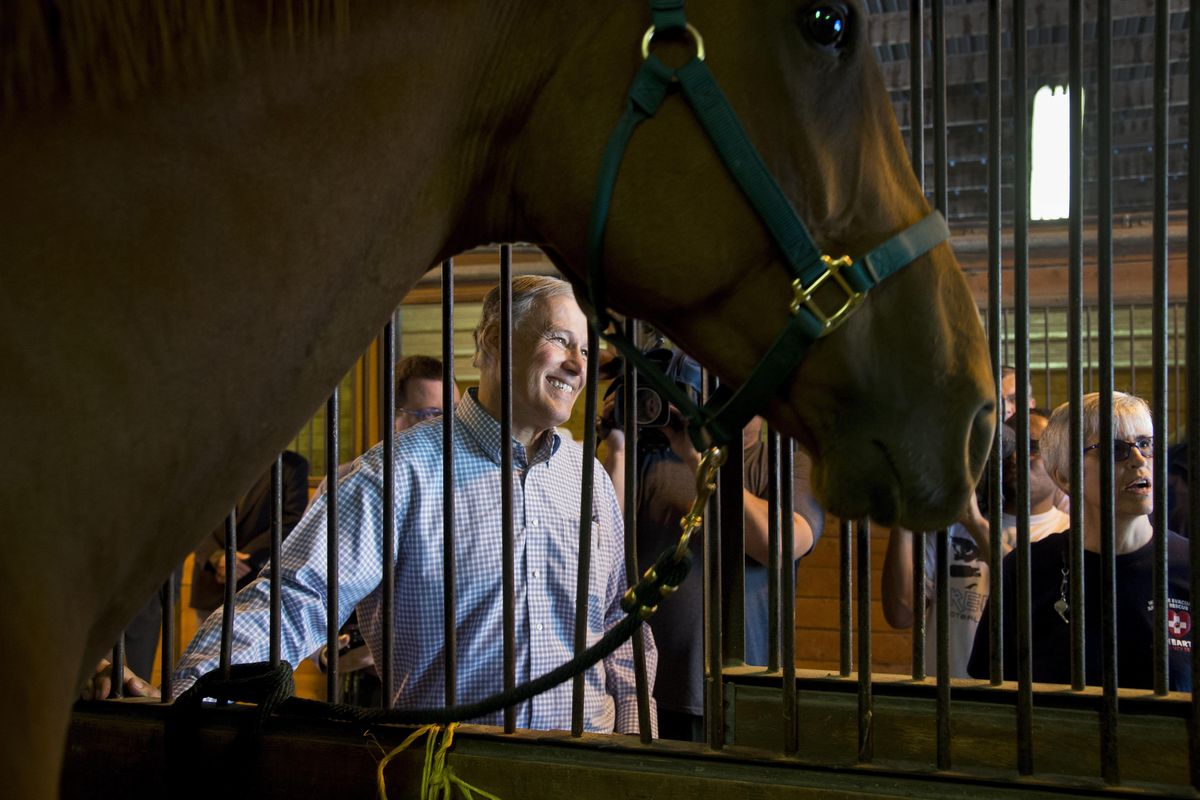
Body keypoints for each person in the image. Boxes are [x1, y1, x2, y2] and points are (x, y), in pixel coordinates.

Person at [89, 276, 655, 735]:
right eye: (560, 340)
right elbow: (296, 599)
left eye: (586, 348)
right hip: (448, 771)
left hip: (587, 769)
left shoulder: (588, 479)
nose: (581, 365)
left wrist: (636, 751)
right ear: (488, 345)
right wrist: (192, 691)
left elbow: (618, 626)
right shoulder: (397, 474)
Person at [600, 351, 823, 742]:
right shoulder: (651, 456)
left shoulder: (784, 462)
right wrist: (617, 445)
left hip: (743, 689)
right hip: (646, 688)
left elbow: (781, 543)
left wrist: (696, 456)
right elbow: (604, 543)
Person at [967, 392, 1191, 690]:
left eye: (1146, 444)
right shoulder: (1026, 570)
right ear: (1065, 477)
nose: (1139, 461)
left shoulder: (1189, 566)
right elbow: (993, 692)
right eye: (1115, 449)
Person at [310, 355, 461, 706]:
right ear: (396, 417)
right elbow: (313, 586)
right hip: (367, 688)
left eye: (455, 414)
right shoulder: (350, 483)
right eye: (434, 416)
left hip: (459, 692)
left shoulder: (479, 485)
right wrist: (327, 652)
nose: (450, 427)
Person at [882, 410, 1069, 677]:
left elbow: (1034, 601)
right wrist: (903, 515)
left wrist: (977, 524)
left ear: (1060, 463)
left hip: (1018, 704)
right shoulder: (951, 526)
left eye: (1032, 448)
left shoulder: (1069, 533)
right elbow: (901, 615)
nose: (1015, 457)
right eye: (1007, 448)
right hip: (944, 700)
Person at [189, 451, 310, 624]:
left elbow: (292, 522)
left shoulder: (291, 465)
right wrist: (216, 557)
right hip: (211, 579)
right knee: (205, 650)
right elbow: (191, 518)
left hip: (255, 581)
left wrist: (243, 561)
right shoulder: (211, 460)